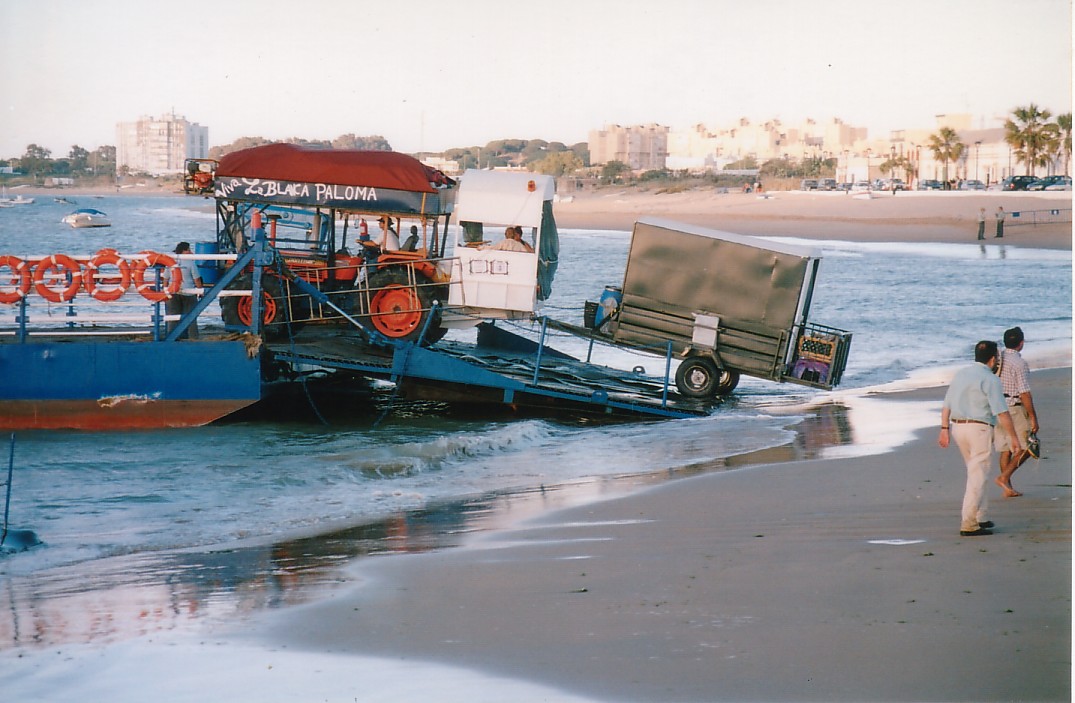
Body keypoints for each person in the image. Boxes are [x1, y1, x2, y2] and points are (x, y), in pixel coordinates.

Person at [938, 340, 1022, 536]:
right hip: (980, 428)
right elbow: (1002, 412)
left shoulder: (961, 374)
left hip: (958, 427)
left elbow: (946, 404)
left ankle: (981, 516)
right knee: (977, 474)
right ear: (993, 359)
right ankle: (968, 523)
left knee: (977, 471)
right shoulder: (991, 380)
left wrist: (944, 428)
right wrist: (1013, 437)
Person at [994, 326, 1039, 497]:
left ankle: (1008, 488)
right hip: (1014, 407)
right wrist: (1033, 417)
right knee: (1028, 446)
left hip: (998, 407)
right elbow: (1024, 393)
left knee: (1006, 448)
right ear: (1021, 343)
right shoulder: (1020, 363)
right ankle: (1004, 478)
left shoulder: (997, 359)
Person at [166, 242, 204, 340]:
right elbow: (197, 279)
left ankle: (172, 337)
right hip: (189, 293)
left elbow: (165, 279)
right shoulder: (190, 263)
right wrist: (200, 291)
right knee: (191, 317)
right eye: (188, 250)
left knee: (172, 317)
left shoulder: (171, 262)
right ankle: (193, 338)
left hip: (173, 292)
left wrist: (165, 291)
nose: (191, 252)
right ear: (183, 251)